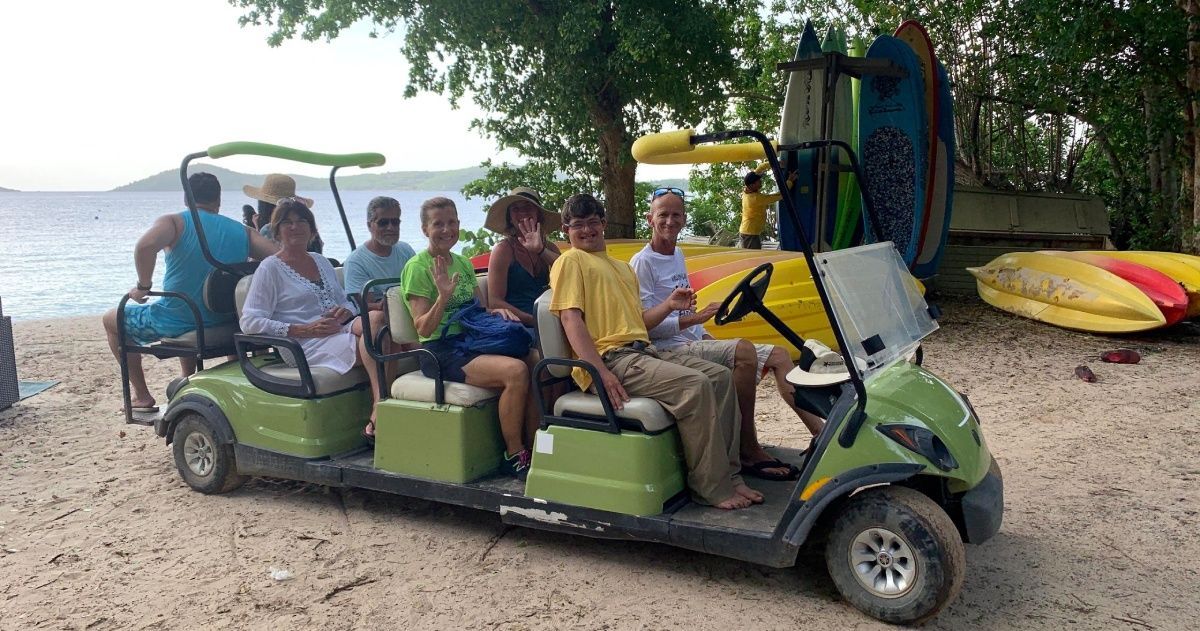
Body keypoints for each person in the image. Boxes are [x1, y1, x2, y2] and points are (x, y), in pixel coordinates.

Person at [549, 193, 760, 510]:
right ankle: (711, 488)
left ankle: (731, 477)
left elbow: (640, 323)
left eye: (593, 222)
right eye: (577, 225)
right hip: (610, 359)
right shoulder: (571, 261)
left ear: (603, 224)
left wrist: (669, 306)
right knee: (695, 385)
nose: (586, 230)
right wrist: (600, 372)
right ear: (566, 230)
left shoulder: (622, 269)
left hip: (642, 352)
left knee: (719, 377)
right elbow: (570, 318)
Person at [631, 188, 824, 481]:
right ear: (650, 219)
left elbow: (686, 316)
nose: (670, 221)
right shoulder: (643, 263)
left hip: (691, 342)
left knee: (780, 355)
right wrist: (696, 319)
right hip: (666, 350)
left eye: (676, 215)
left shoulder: (677, 254)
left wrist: (704, 331)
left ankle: (821, 437)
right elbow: (648, 327)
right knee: (743, 352)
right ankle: (748, 450)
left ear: (684, 219)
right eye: (663, 215)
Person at [102, 172, 279, 413]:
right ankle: (187, 377)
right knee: (185, 306)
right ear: (218, 200)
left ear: (186, 198)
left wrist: (143, 286)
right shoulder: (242, 231)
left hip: (179, 320)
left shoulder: (174, 223)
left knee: (112, 319)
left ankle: (142, 396)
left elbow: (145, 246)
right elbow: (279, 259)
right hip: (226, 319)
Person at [401, 197, 540, 479]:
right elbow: (423, 329)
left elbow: (481, 309)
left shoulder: (463, 263)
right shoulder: (418, 267)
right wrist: (443, 298)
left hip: (472, 340)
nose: (446, 229)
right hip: (440, 351)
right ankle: (513, 454)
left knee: (537, 359)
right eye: (438, 224)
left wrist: (498, 311)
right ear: (424, 229)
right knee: (515, 371)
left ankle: (536, 445)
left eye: (451, 222)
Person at [239, 198, 390, 440]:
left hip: (338, 329)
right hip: (303, 344)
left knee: (377, 320)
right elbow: (250, 321)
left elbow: (343, 301)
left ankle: (382, 404)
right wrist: (302, 329)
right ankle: (381, 406)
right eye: (287, 222)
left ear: (311, 229)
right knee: (379, 341)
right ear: (277, 230)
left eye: (301, 221)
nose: (295, 227)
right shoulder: (270, 269)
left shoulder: (320, 261)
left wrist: (347, 311)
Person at [484, 188, 562, 326]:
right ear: (510, 218)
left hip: (549, 319)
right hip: (516, 323)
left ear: (538, 213)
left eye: (528, 207)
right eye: (516, 209)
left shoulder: (550, 248)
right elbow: (495, 301)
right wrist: (534, 321)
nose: (522, 212)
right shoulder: (503, 250)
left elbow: (568, 275)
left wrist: (541, 251)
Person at [342, 196, 416, 309]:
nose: (390, 227)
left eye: (395, 222)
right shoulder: (356, 262)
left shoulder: (406, 250)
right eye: (383, 222)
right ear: (369, 225)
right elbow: (365, 305)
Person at [244, 173, 323, 254]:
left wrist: (256, 232)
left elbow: (256, 260)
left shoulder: (268, 230)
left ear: (263, 206)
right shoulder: (307, 228)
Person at [739, 164, 795, 249]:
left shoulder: (747, 189)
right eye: (758, 181)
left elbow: (759, 169)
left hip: (748, 232)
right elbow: (779, 195)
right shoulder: (755, 199)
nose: (761, 182)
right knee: (753, 258)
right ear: (752, 185)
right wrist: (790, 181)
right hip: (750, 235)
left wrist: (775, 163)